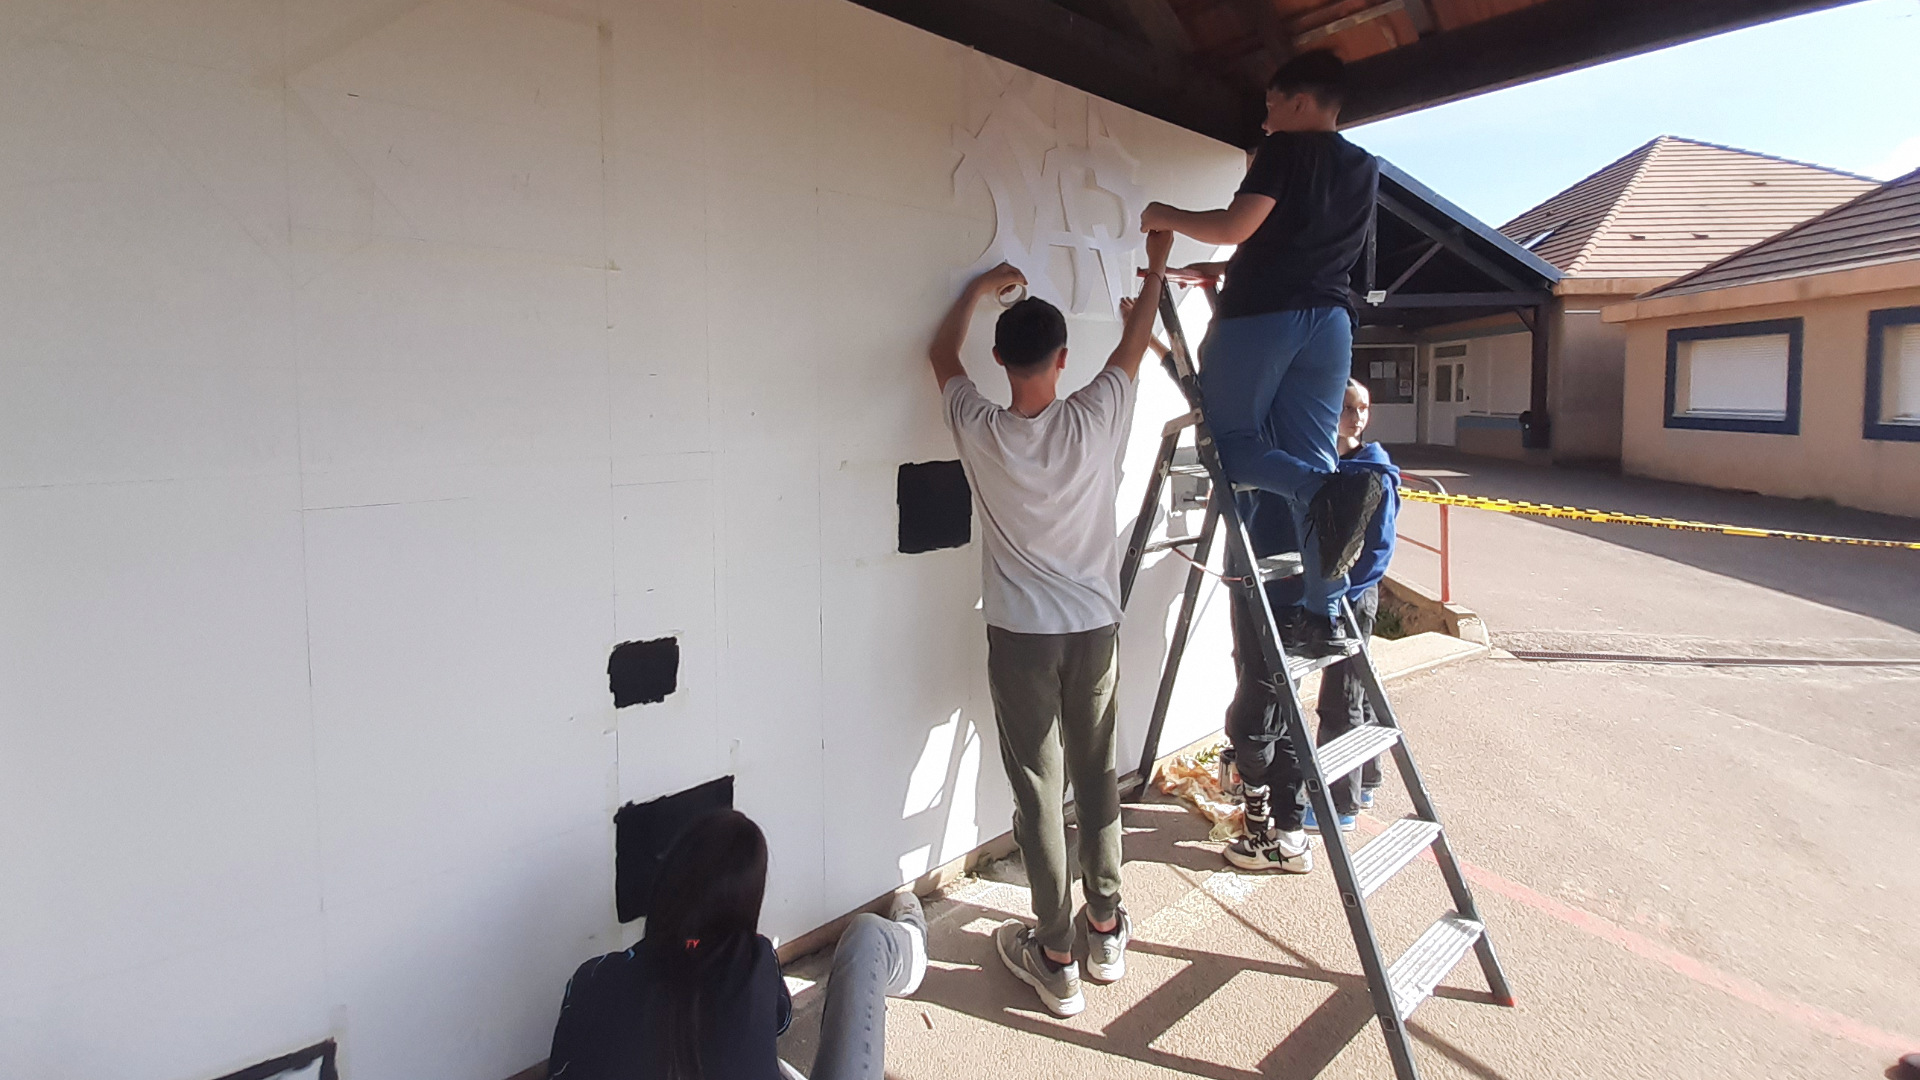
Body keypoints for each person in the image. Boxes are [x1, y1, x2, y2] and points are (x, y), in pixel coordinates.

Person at [927, 230, 1174, 1017]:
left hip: (1020, 640)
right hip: (1094, 631)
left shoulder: (980, 427)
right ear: (1063, 359)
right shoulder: (1097, 416)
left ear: (1001, 359)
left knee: (1039, 792)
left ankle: (1056, 955)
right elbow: (1132, 349)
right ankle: (1105, 927)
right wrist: (1157, 262)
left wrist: (977, 289)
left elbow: (938, 354)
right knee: (1097, 775)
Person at [1140, 48, 1384, 659]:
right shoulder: (1364, 166)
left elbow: (1235, 225)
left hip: (1264, 317)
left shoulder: (1285, 150)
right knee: (1313, 457)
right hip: (1331, 322)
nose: (1265, 118)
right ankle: (1324, 614)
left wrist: (1163, 213)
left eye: (1271, 104)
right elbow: (1305, 246)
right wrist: (1227, 269)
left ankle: (1320, 490)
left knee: (1229, 446)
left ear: (1299, 101)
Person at [546, 810, 928, 1080]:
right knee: (868, 937)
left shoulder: (590, 980)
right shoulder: (753, 961)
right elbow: (778, 1021)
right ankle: (911, 938)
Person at [1215, 378, 1399, 868]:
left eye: (1360, 408)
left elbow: (1372, 549)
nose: (1353, 417)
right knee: (1284, 710)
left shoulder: (1315, 460)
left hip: (1283, 595)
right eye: (1345, 407)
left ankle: (1285, 826)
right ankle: (1292, 825)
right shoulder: (1307, 453)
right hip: (1277, 590)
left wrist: (1335, 598)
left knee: (1271, 719)